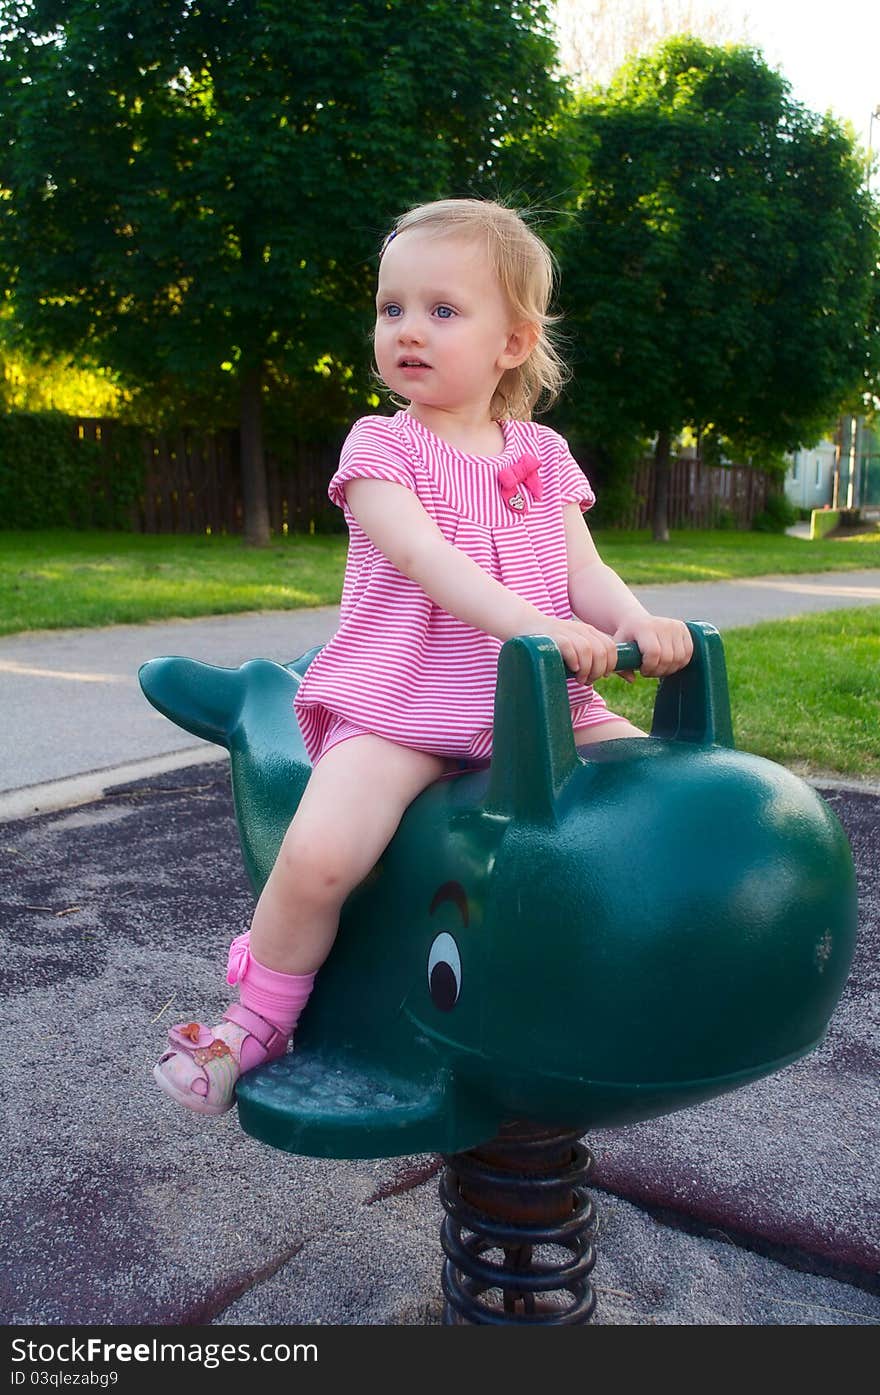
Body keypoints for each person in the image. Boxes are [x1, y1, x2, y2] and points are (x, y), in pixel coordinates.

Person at [154, 197, 693, 1114]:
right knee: (324, 851)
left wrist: (639, 622)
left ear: (512, 344)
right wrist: (536, 624)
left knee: (651, 807)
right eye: (391, 307)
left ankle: (631, 988)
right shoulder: (382, 446)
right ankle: (261, 1011)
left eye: (443, 311)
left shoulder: (542, 451)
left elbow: (585, 568)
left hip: (543, 696)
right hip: (407, 700)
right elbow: (426, 560)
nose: (408, 330)